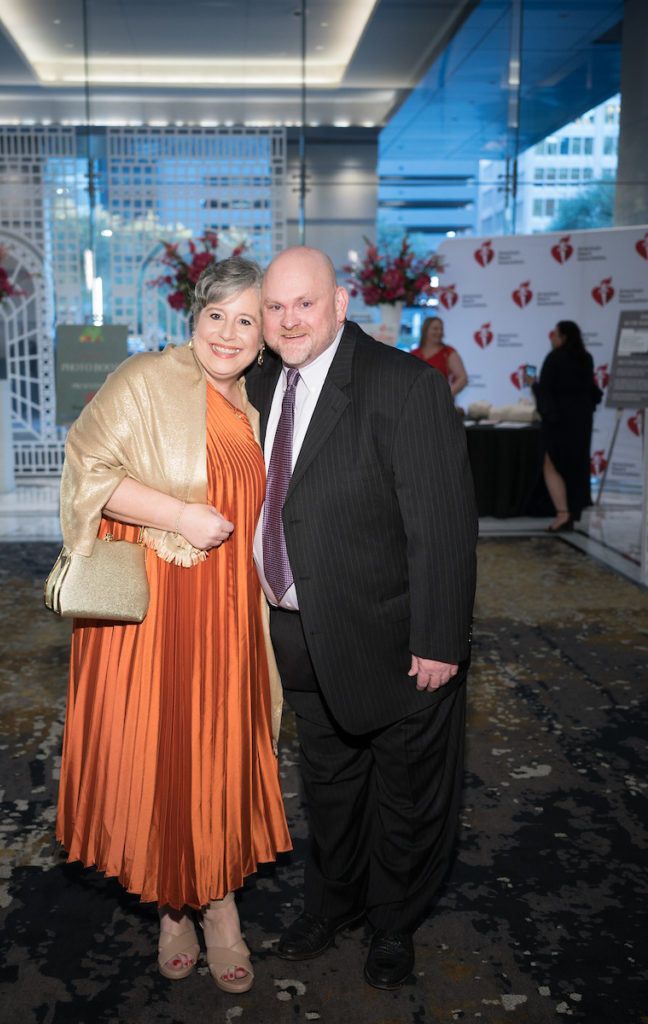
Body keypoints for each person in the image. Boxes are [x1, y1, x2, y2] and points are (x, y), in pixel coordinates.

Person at [55, 256, 291, 994]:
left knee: (219, 753)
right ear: (193, 318)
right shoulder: (144, 380)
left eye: (245, 319)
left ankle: (221, 906)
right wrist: (179, 514)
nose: (228, 332)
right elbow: (85, 464)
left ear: (264, 338)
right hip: (156, 615)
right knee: (163, 754)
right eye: (216, 314)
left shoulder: (260, 404)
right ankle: (174, 911)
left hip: (229, 616)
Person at [245, 246, 477, 991]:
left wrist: (439, 640)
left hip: (393, 640)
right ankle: (333, 902)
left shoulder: (404, 386)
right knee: (330, 786)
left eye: (304, 304)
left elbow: (441, 525)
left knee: (404, 795)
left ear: (340, 303)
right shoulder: (257, 381)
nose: (288, 321)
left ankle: (392, 922)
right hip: (298, 635)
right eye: (275, 307)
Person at [523, 319, 602, 532]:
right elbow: (589, 390)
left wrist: (533, 384)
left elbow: (547, 391)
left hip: (558, 422)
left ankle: (563, 514)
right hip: (581, 422)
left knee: (551, 464)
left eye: (555, 334)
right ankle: (570, 511)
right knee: (574, 466)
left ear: (563, 337)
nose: (552, 338)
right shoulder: (586, 358)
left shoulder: (555, 358)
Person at [412, 316, 468, 399]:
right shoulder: (414, 353)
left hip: (439, 404)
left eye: (441, 329)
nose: (439, 332)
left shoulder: (447, 352)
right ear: (425, 331)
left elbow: (463, 378)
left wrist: (445, 394)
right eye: (435, 329)